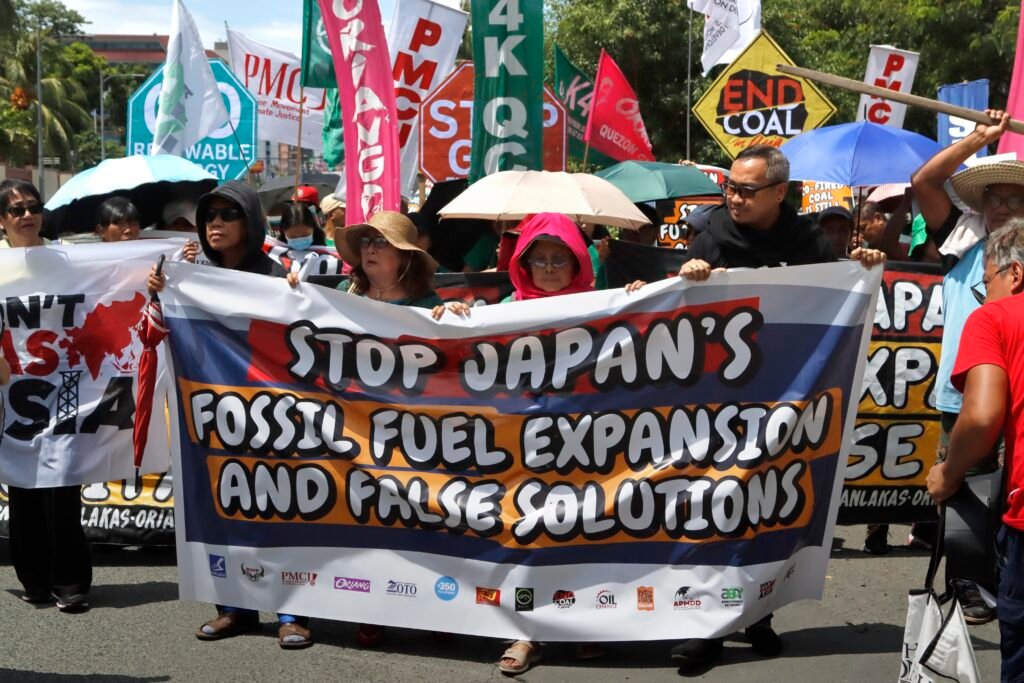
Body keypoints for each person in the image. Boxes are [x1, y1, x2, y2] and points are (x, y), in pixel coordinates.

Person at [675, 145, 885, 669]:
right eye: (730, 187)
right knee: (715, 507)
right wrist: (690, 272)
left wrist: (860, 267)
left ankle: (759, 615)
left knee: (764, 508)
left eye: (747, 190)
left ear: (778, 193)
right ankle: (707, 627)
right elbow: (676, 310)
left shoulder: (808, 240)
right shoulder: (712, 236)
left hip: (782, 402)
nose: (734, 197)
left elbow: (836, 296)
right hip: (718, 405)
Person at [458, 212, 644, 674]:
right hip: (521, 444)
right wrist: (452, 318)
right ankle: (526, 635)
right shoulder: (507, 307)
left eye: (559, 259)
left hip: (586, 441)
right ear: (522, 263)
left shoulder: (603, 304)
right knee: (526, 531)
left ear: (579, 261)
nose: (547, 268)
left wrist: (644, 300)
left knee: (580, 529)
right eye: (538, 259)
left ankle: (578, 624)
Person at [147, 180, 311, 649]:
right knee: (225, 506)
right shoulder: (190, 277)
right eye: (209, 216)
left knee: (280, 507)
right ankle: (233, 608)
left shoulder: (277, 275)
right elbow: (158, 334)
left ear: (251, 221)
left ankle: (293, 613)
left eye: (227, 214)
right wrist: (160, 293)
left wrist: (299, 295)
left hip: (273, 415)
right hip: (214, 415)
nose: (214, 224)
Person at [911, 108, 1024, 623]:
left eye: (1013, 199)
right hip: (965, 395)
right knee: (960, 489)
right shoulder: (961, 240)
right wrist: (980, 139)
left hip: (1017, 394)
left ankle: (1009, 576)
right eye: (993, 197)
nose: (1001, 207)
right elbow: (924, 182)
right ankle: (970, 585)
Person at [925, 220, 1024, 681]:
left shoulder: (994, 317)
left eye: (986, 283)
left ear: (1015, 274)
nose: (985, 296)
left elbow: (982, 417)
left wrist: (948, 474)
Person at [0, 178, 91, 613]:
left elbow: (112, 282)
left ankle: (71, 582)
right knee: (23, 486)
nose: (27, 216)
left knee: (64, 484)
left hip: (64, 386)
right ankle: (34, 580)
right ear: (2, 220)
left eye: (34, 207)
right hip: (11, 392)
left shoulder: (66, 259)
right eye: (16, 210)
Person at [333, 211, 442, 312]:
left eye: (380, 241)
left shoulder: (428, 304)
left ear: (404, 255)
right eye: (365, 241)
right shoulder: (346, 290)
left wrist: (449, 318)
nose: (370, 250)